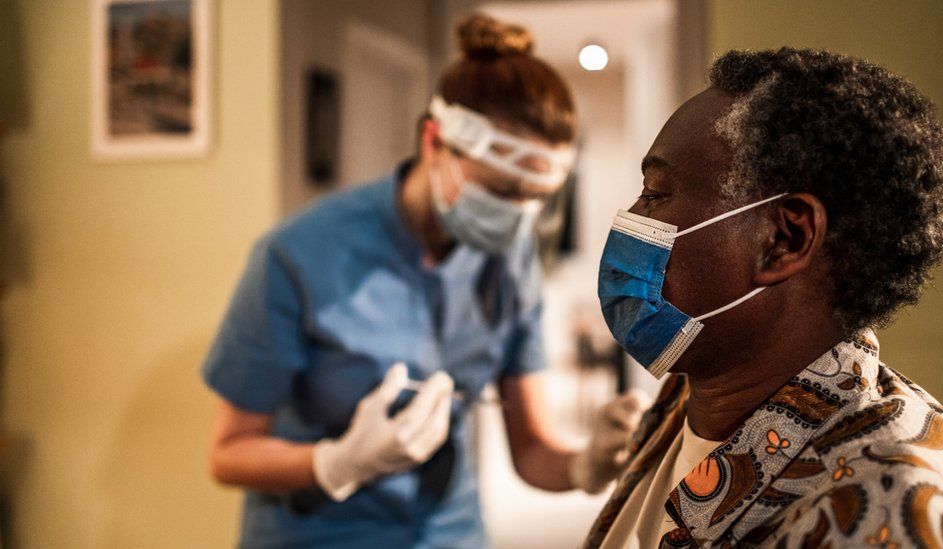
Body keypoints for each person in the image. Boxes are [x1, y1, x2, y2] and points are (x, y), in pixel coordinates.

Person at [203, 14, 648, 549]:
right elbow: (229, 454)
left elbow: (531, 451)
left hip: (449, 533)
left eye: (537, 198)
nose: (517, 217)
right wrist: (336, 462)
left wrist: (585, 464)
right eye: (501, 192)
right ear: (434, 140)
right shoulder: (299, 256)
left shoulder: (510, 261)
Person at [582, 47, 943, 548]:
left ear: (785, 238)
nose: (633, 216)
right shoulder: (686, 398)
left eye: (657, 193)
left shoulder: (890, 511)